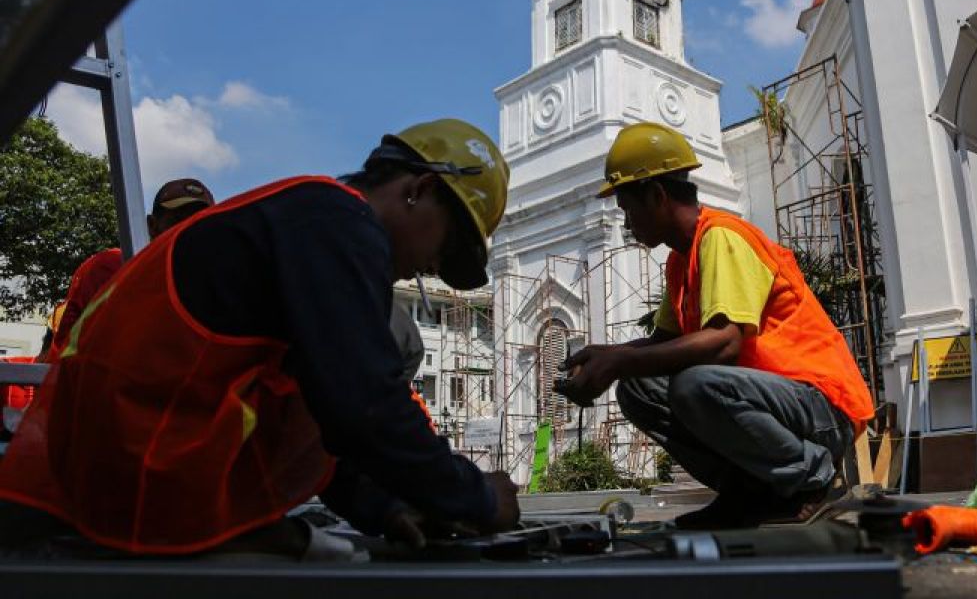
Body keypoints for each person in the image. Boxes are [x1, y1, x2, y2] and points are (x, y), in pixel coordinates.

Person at [0, 119, 519, 556]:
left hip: (124, 462)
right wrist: (475, 496)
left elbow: (317, 409)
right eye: (445, 247)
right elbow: (364, 405)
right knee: (328, 561)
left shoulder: (309, 220)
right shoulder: (339, 225)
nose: (429, 267)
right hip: (147, 467)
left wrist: (382, 506)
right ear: (420, 188)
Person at [556, 121, 875, 529]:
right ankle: (749, 491)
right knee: (638, 387)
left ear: (656, 196)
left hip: (821, 408)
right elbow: (662, 344)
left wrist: (617, 362)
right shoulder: (680, 260)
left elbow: (724, 344)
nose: (627, 223)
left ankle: (812, 479)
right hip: (777, 406)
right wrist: (608, 357)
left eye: (628, 209)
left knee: (696, 384)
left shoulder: (722, 238)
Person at [46, 178, 216, 361]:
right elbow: (67, 351)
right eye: (178, 219)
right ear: (152, 225)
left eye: (200, 221)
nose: (188, 229)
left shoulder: (213, 284)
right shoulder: (111, 266)